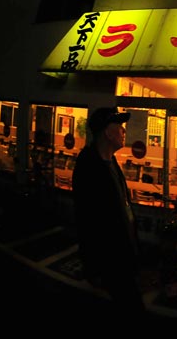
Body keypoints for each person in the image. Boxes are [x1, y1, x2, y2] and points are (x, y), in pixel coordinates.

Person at [72, 107, 147, 322]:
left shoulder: (111, 161)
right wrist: (92, 265)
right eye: (119, 126)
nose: (124, 131)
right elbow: (86, 220)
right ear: (107, 132)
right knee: (134, 311)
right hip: (111, 259)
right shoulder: (88, 166)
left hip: (124, 254)